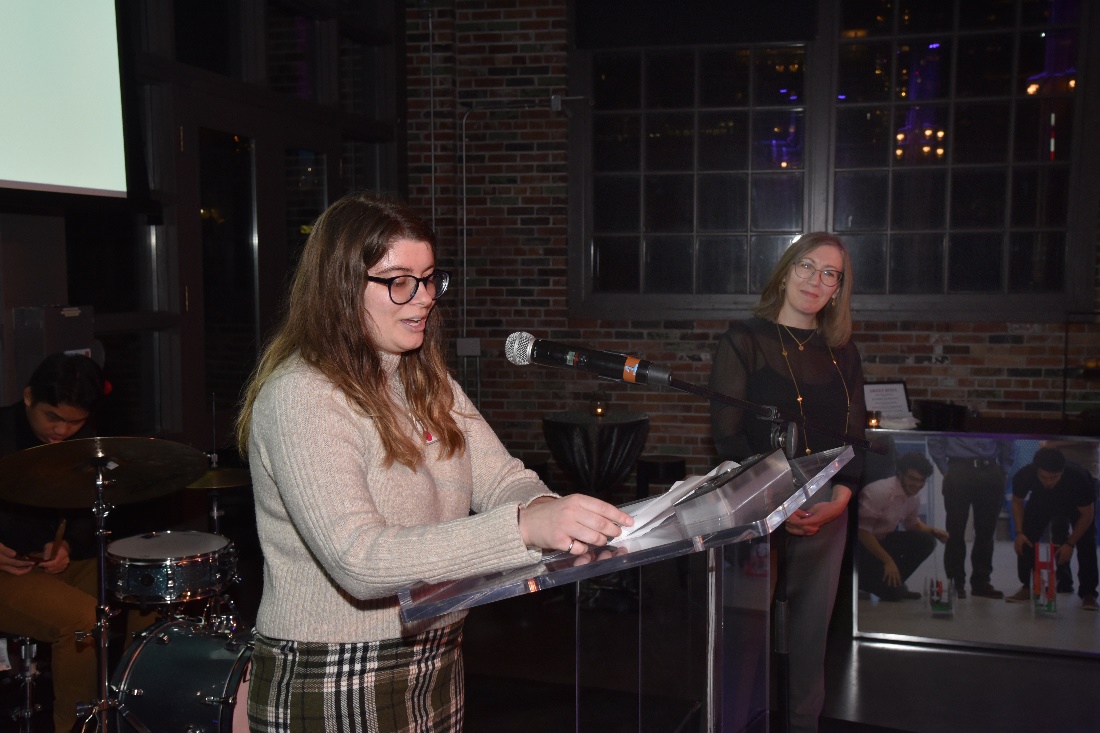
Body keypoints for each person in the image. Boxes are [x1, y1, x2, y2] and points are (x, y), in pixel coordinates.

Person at [235, 192, 632, 732]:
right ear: (339, 287)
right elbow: (359, 560)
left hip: (434, 652)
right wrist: (522, 529)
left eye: (428, 279)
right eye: (398, 281)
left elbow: (502, 478)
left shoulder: (424, 380)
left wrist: (542, 507)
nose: (422, 299)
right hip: (335, 667)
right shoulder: (303, 394)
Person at [708, 232, 866, 733]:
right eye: (806, 266)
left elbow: (855, 431)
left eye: (829, 274)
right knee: (746, 633)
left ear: (839, 288)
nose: (815, 281)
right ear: (785, 270)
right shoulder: (743, 340)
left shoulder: (843, 350)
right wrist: (781, 494)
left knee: (810, 634)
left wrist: (843, 496)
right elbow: (726, 436)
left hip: (827, 502)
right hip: (758, 500)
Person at [0, 352, 106, 733]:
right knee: (81, 619)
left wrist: (68, 546)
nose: (62, 431)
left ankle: (131, 705)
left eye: (74, 422)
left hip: (46, 560)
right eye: (53, 417)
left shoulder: (82, 444)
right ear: (28, 396)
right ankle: (77, 728)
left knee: (130, 585)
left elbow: (84, 512)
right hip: (5, 568)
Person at [1005, 446, 1098, 610]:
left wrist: (1070, 544)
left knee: (1087, 541)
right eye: (1044, 477)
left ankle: (1089, 593)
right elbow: (1017, 502)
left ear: (1062, 472)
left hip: (1075, 503)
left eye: (1054, 477)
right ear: (1036, 471)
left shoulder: (1078, 477)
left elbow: (1087, 515)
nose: (1049, 481)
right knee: (1027, 536)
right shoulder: (1025, 475)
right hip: (1042, 500)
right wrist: (1019, 532)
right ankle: (1028, 586)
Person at [927, 436, 1013, 599]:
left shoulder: (991, 412)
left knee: (986, 532)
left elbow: (1007, 439)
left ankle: (981, 582)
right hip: (959, 468)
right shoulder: (952, 411)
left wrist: (1004, 469)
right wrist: (945, 470)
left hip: (990, 468)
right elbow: (936, 438)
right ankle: (956, 582)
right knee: (955, 530)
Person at [857, 452, 948, 601]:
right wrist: (888, 561)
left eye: (922, 481)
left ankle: (891, 585)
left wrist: (933, 531)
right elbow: (862, 531)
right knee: (891, 592)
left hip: (883, 539)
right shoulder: (880, 491)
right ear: (900, 474)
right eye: (912, 479)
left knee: (926, 540)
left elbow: (912, 524)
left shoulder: (913, 497)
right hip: (860, 547)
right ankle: (880, 585)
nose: (917, 485)